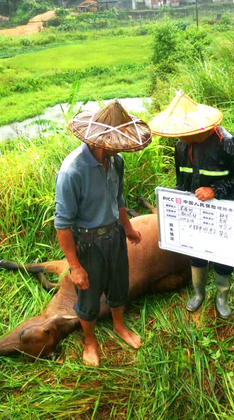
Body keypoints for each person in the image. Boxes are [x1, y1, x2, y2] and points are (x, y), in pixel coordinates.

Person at [54, 100, 152, 366]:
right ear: (99, 140)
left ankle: (120, 326)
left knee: (119, 285)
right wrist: (74, 266)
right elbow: (62, 224)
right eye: (115, 142)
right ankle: (90, 340)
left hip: (115, 236)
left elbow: (118, 198)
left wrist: (129, 228)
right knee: (88, 295)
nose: (119, 148)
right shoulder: (72, 171)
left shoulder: (115, 161)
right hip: (87, 243)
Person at [149, 91, 234, 319]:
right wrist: (171, 204)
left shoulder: (227, 144)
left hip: (223, 215)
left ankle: (222, 296)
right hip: (195, 214)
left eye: (185, 134)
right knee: (196, 254)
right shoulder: (181, 147)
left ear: (200, 127)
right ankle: (199, 293)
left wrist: (216, 191)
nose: (182, 138)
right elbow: (182, 181)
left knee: (223, 258)